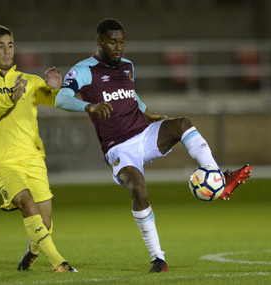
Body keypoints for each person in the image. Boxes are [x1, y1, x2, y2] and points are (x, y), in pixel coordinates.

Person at [55, 18, 252, 273]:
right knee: (138, 188)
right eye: (113, 41)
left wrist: (145, 110)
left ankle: (217, 176)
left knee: (182, 124)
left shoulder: (127, 66)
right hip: (118, 147)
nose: (119, 47)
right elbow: (61, 98)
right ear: (99, 41)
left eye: (122, 41)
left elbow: (129, 93)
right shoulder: (83, 70)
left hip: (144, 133)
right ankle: (158, 258)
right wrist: (89, 106)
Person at [0, 25, 77, 273]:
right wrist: (10, 98)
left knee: (45, 223)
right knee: (26, 203)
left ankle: (32, 252)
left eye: (10, 45)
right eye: (0, 46)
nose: (7, 51)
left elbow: (58, 101)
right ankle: (60, 263)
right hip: (1, 161)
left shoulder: (30, 80)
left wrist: (58, 87)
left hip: (33, 158)